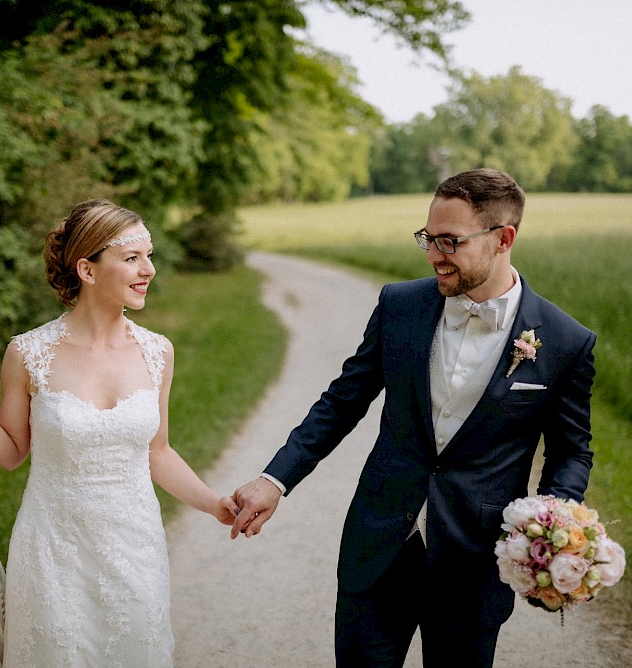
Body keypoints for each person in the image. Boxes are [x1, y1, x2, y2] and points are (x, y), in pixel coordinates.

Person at [229, 168, 596, 668]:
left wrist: (551, 525)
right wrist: (275, 479)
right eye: (428, 238)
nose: (432, 256)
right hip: (377, 547)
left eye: (449, 242)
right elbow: (343, 401)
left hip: (474, 562)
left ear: (503, 238)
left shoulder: (566, 341)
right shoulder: (399, 306)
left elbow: (572, 450)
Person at [0, 198, 239, 666]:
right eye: (132, 258)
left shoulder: (157, 352)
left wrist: (214, 504)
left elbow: (158, 453)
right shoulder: (27, 353)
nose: (148, 269)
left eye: (149, 256)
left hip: (135, 545)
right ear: (87, 269)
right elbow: (11, 452)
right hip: (53, 549)